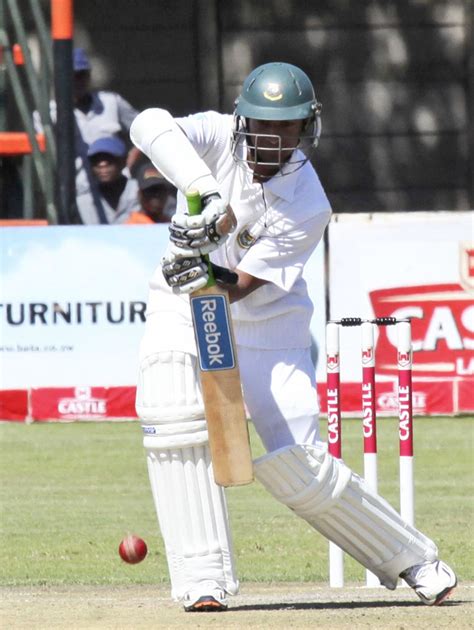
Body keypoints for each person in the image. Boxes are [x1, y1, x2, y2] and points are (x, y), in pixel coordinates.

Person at [129, 62, 457, 612]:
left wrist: (208, 275)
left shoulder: (308, 200)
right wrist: (205, 192)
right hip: (180, 309)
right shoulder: (212, 133)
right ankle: (203, 578)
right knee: (170, 400)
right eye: (263, 124)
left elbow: (247, 285)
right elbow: (147, 124)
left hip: (267, 326)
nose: (274, 138)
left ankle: (413, 559)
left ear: (307, 127)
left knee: (300, 462)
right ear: (241, 119)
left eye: (288, 127)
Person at [34, 48, 141, 223]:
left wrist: (129, 162)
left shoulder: (110, 102)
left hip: (118, 190)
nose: (77, 81)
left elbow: (144, 130)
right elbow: (45, 158)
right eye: (71, 76)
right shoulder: (48, 115)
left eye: (81, 75)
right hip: (80, 192)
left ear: (89, 76)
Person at [76, 136, 138, 224]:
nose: (102, 164)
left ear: (123, 162)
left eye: (109, 159)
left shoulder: (140, 193)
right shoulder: (83, 201)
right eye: (96, 160)